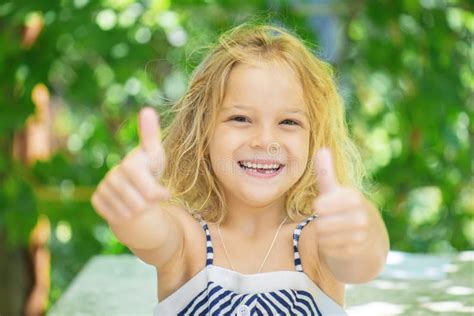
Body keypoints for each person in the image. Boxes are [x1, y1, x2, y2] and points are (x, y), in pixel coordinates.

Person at [91, 23, 389, 315]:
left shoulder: (315, 243)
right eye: (240, 119)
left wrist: (361, 225)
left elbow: (362, 263)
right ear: (203, 130)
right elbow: (147, 232)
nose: (264, 141)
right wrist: (131, 205)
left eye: (289, 122)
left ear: (314, 139)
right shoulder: (187, 239)